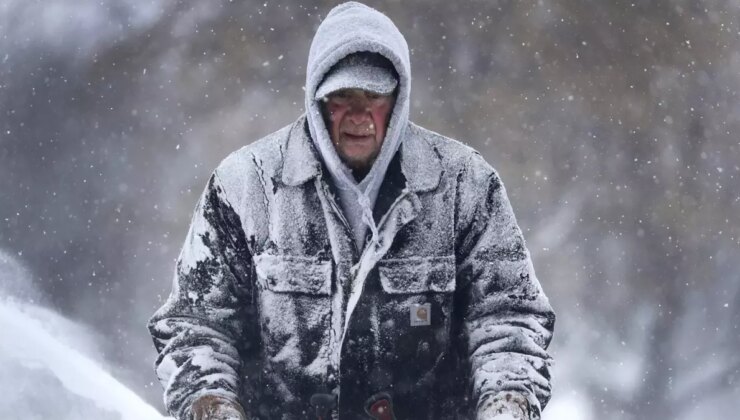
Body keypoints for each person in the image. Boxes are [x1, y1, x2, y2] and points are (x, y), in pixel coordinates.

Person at [148, 2, 555, 419]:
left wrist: (507, 404)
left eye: (374, 95)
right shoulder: (244, 185)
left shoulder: (466, 185)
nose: (359, 115)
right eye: (343, 96)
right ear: (317, 97)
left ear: (398, 99)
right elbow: (196, 326)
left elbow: (509, 318)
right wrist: (212, 406)